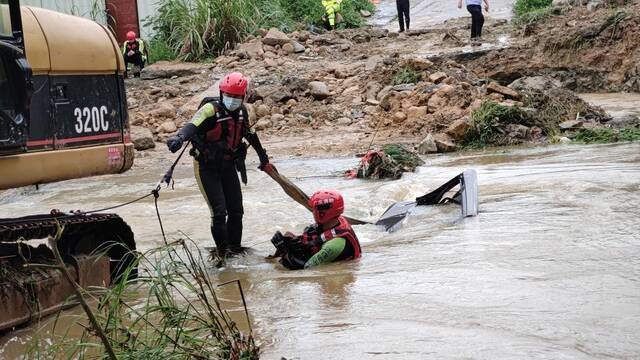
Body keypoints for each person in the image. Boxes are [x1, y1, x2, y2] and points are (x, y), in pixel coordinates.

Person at [166, 72, 271, 257]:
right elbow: (192, 125)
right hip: (206, 167)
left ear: (243, 97)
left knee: (237, 211)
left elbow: (251, 134)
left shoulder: (242, 112)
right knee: (219, 212)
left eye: (237, 97)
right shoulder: (209, 110)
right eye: (229, 96)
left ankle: (236, 251)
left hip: (228, 166)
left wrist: (263, 157)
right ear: (222, 93)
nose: (232, 100)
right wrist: (179, 138)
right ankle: (223, 254)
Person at [270, 190, 362, 270]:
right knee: (289, 236)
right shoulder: (338, 220)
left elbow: (306, 268)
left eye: (314, 210)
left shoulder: (333, 246)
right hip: (327, 257)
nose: (313, 212)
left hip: (335, 281)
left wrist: (283, 250)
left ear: (322, 214)